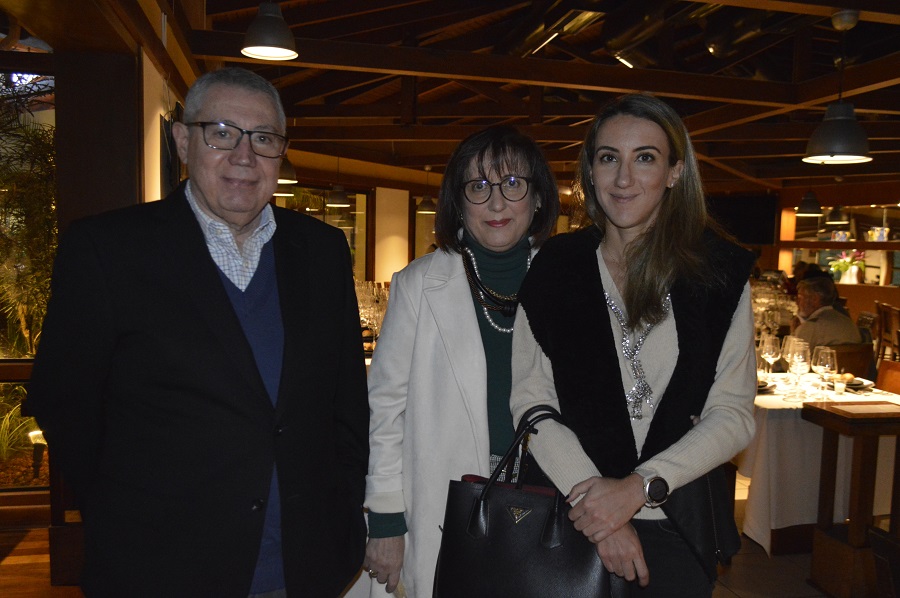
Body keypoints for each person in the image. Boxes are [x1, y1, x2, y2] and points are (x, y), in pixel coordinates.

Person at [26, 67, 369, 597]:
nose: (244, 156)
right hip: (159, 568)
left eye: (264, 138)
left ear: (281, 153)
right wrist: (124, 510)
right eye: (222, 133)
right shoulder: (108, 250)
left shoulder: (322, 251)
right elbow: (65, 404)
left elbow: (346, 400)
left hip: (303, 566)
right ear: (183, 141)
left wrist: (343, 505)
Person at [510, 93, 757, 596]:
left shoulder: (720, 273)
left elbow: (733, 414)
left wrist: (637, 489)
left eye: (645, 157)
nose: (623, 179)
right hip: (571, 518)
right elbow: (531, 403)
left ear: (674, 172)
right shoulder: (555, 266)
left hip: (679, 522)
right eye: (609, 158)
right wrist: (602, 513)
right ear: (590, 171)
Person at [363, 125, 560, 597]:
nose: (496, 202)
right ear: (459, 201)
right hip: (443, 503)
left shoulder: (566, 280)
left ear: (537, 198)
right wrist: (386, 519)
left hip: (548, 501)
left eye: (512, 183)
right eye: (479, 186)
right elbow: (385, 410)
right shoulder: (418, 284)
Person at [790, 275, 861, 347]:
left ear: (815, 299)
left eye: (800, 298)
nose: (797, 302)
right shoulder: (850, 324)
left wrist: (794, 332)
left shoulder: (810, 328)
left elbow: (793, 352)